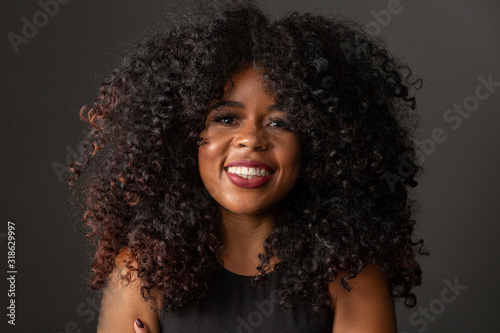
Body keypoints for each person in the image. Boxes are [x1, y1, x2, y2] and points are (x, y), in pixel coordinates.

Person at [68, 0, 427, 332]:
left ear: (319, 144)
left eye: (280, 122)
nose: (251, 139)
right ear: (182, 135)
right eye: (226, 118)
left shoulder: (351, 274)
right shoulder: (140, 269)